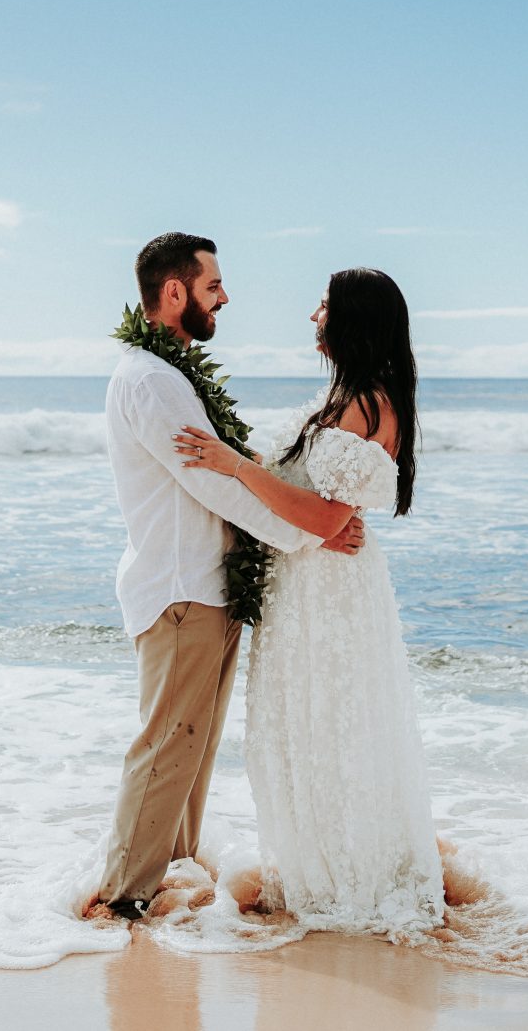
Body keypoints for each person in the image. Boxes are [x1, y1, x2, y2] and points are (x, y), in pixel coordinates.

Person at [90, 233, 366, 921]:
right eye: (214, 284)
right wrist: (313, 534)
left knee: (192, 750)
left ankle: (169, 882)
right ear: (175, 292)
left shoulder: (171, 372)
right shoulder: (153, 380)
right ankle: (124, 899)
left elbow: (234, 466)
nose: (226, 296)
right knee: (166, 748)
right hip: (179, 587)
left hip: (205, 585)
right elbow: (216, 487)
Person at [174, 267, 449, 935]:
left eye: (323, 304)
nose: (312, 316)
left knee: (335, 724)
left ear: (349, 317)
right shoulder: (342, 395)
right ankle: (310, 869)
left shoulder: (371, 403)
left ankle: (347, 878)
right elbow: (305, 499)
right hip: (303, 582)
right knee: (301, 725)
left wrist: (232, 465)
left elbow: (327, 521)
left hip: (332, 591)